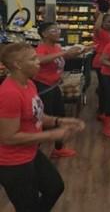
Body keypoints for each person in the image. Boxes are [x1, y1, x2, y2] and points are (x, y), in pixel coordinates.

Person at [0, 43, 85, 211]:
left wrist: (59, 121)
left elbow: (36, 114)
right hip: (12, 162)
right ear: (17, 64)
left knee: (54, 187)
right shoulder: (9, 93)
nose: (38, 61)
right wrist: (52, 135)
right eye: (33, 59)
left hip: (29, 152)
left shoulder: (29, 84)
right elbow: (8, 137)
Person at [34, 23, 86, 158]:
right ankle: (34, 153)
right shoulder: (42, 47)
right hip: (43, 87)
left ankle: (58, 148)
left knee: (60, 116)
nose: (58, 32)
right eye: (53, 30)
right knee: (43, 122)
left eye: (58, 29)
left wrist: (77, 52)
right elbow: (40, 60)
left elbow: (60, 58)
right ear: (44, 34)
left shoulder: (56, 47)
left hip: (54, 86)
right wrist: (64, 52)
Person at [93, 12, 110, 120]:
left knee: (108, 89)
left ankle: (106, 109)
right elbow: (96, 27)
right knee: (104, 89)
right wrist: (102, 12)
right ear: (103, 22)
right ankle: (102, 112)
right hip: (101, 63)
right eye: (109, 21)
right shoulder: (101, 32)